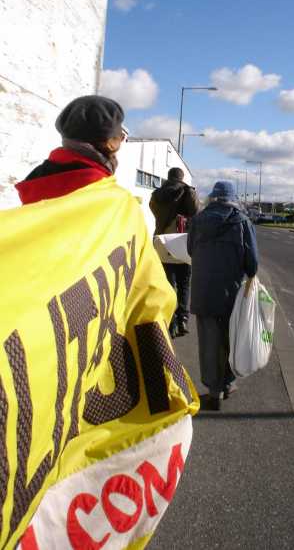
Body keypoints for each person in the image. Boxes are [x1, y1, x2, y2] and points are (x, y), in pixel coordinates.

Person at [5, 95, 197, 548]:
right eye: (122, 136)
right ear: (110, 143)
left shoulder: (32, 189)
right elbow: (149, 297)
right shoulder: (115, 206)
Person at [187, 181, 258, 411]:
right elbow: (253, 264)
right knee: (230, 339)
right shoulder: (242, 221)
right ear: (232, 198)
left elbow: (190, 250)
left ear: (212, 197)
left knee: (209, 342)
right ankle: (228, 383)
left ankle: (213, 391)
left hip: (203, 291)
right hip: (231, 293)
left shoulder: (197, 220)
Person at [150, 167, 199, 337]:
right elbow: (195, 211)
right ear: (182, 177)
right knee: (184, 284)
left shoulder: (157, 194)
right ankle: (183, 320)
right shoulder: (187, 192)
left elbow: (154, 211)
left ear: (168, 177)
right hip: (182, 244)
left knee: (168, 285)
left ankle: (171, 322)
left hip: (163, 243)